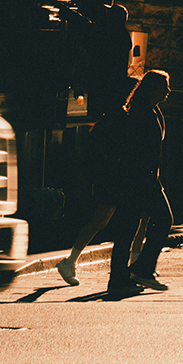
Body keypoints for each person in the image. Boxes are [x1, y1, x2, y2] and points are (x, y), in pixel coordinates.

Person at [105, 70, 173, 298]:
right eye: (165, 86)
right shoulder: (142, 112)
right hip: (139, 180)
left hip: (142, 179)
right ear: (153, 88)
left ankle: (121, 277)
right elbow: (137, 150)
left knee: (128, 229)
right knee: (162, 220)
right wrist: (148, 179)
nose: (168, 91)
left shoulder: (150, 110)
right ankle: (141, 269)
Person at [55, 103, 126, 286]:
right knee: (102, 220)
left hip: (113, 176)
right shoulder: (117, 117)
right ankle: (69, 261)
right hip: (113, 177)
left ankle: (70, 261)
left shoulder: (112, 117)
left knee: (106, 220)